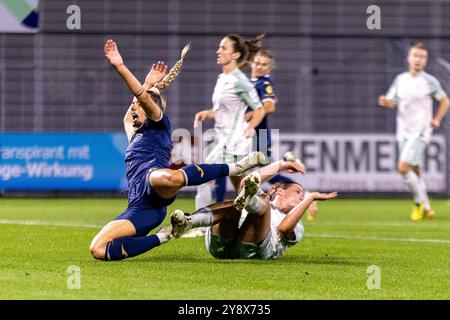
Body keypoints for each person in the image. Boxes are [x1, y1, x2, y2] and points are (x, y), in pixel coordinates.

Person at [89, 39, 266, 261]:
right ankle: (166, 235)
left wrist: (120, 67)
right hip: (141, 210)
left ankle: (236, 167)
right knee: (97, 249)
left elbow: (143, 98)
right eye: (133, 107)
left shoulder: (158, 123)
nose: (133, 110)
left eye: (138, 107)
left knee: (168, 178)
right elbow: (132, 108)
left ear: (150, 109)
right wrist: (148, 82)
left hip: (155, 182)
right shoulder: (134, 133)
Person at [214, 49, 319, 220]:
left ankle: (219, 210)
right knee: (236, 171)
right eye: (257, 63)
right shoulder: (252, 82)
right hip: (247, 136)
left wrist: (245, 116)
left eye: (264, 64)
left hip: (257, 136)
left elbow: (269, 106)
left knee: (259, 173)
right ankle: (226, 209)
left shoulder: (264, 83)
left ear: (270, 68)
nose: (259, 67)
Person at [169, 159, 337, 260]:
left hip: (251, 249)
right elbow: (244, 183)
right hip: (221, 243)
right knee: (239, 203)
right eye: (299, 192)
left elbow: (284, 229)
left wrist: (310, 198)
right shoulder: (264, 195)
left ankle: (247, 203)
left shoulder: (297, 225)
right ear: (279, 191)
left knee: (261, 205)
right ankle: (189, 222)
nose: (302, 197)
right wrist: (280, 166)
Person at [193, 34, 266, 213]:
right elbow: (225, 109)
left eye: (223, 48)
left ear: (235, 55)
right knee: (244, 185)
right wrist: (209, 113)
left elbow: (260, 110)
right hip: (224, 139)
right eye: (219, 47)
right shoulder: (222, 78)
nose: (218, 51)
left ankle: (198, 225)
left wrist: (250, 127)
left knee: (202, 174)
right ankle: (271, 210)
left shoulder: (240, 81)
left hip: (234, 142)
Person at [378, 42, 449, 221]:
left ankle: (418, 204)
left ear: (425, 61)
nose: (418, 59)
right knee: (414, 171)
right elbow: (392, 101)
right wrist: (385, 102)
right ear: (409, 58)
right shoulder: (400, 79)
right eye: (415, 56)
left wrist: (436, 120)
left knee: (403, 167)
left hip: (420, 131)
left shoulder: (429, 81)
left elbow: (444, 101)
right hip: (403, 132)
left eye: (422, 57)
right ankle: (428, 208)